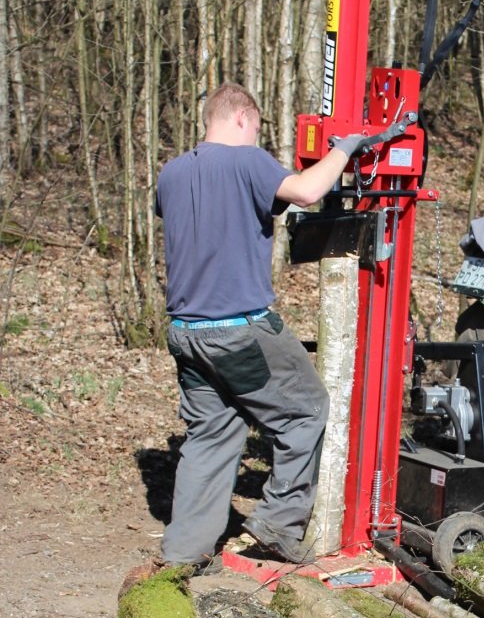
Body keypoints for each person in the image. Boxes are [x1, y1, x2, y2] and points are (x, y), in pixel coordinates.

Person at [155, 81, 408, 567]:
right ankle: (277, 523)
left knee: (212, 435)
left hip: (186, 334)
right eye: (256, 129)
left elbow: (218, 218)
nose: (257, 139)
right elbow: (309, 190)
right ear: (242, 119)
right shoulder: (247, 160)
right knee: (304, 410)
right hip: (238, 333)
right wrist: (345, 149)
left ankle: (183, 554)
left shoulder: (172, 173)